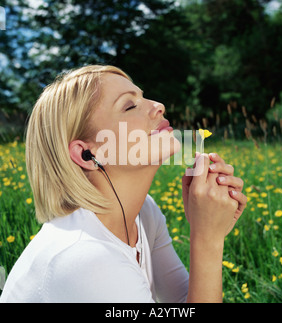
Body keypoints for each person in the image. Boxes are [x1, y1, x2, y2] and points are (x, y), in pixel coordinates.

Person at [0, 65, 247, 303]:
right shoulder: (85, 258)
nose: (158, 106)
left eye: (143, 97)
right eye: (130, 106)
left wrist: (207, 225)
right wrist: (207, 239)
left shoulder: (144, 214)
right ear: (86, 153)